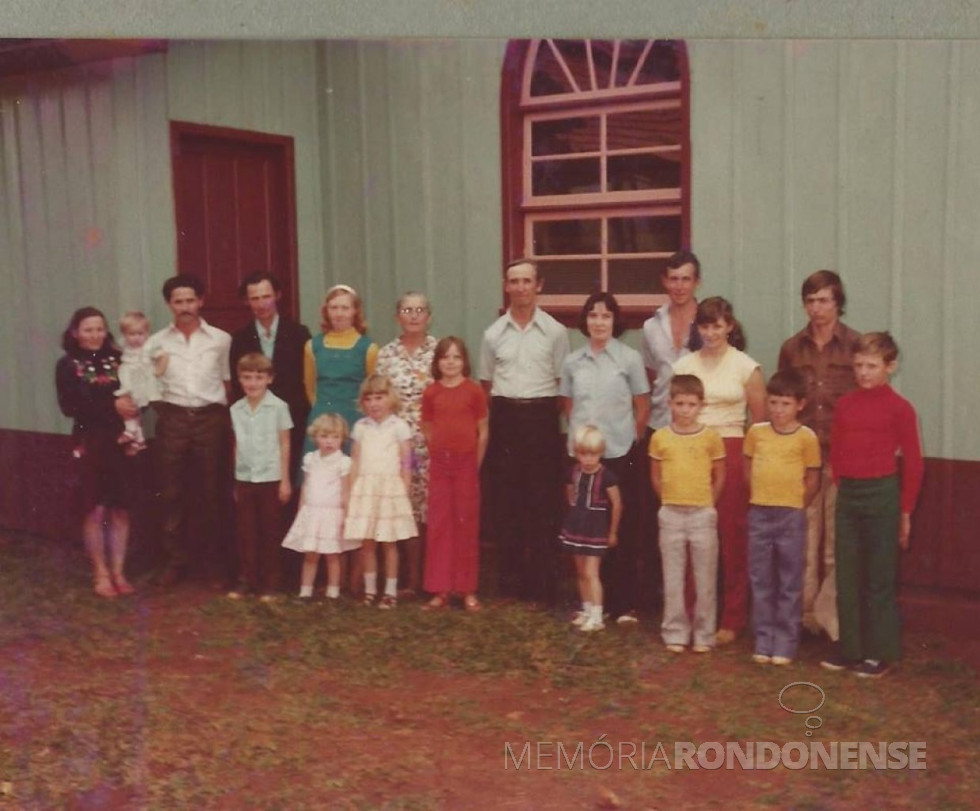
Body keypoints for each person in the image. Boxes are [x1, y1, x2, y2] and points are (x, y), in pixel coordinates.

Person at [821, 333, 924, 679]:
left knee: (878, 577)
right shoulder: (847, 404)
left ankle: (879, 653)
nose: (864, 373)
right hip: (849, 495)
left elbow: (913, 461)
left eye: (872, 366)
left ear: (890, 367)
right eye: (859, 366)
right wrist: (841, 484)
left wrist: (905, 511)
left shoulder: (900, 408)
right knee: (848, 575)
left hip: (882, 495)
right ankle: (850, 649)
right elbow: (836, 448)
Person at [672, 297, 766, 644]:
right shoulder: (684, 365)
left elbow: (760, 423)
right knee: (691, 534)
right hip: (692, 451)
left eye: (718, 325)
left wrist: (750, 465)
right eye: (705, 326)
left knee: (731, 535)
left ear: (729, 326)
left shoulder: (746, 367)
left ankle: (732, 616)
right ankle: (693, 614)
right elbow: (676, 414)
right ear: (697, 328)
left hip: (731, 449)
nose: (711, 333)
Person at [479, 258, 569, 605]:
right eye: (514, 281)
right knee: (507, 500)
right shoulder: (493, 334)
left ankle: (543, 581)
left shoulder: (556, 332)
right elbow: (486, 383)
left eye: (526, 281)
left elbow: (563, 386)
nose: (520, 288)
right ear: (506, 286)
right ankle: (510, 578)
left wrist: (539, 417)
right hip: (505, 418)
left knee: (542, 502)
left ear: (538, 285)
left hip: (541, 418)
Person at [777, 270, 861, 639]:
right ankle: (804, 619)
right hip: (803, 460)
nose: (816, 307)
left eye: (824, 299)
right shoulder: (792, 348)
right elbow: (783, 402)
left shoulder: (857, 346)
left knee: (835, 546)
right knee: (804, 543)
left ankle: (833, 622)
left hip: (843, 459)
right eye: (810, 300)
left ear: (838, 302)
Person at [559, 291, 649, 622]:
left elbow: (641, 405)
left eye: (606, 316)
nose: (599, 322)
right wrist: (585, 443)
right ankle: (591, 602)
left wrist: (629, 439)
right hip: (584, 457)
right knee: (586, 523)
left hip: (617, 454)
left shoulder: (628, 359)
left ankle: (622, 604)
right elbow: (568, 405)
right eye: (593, 315)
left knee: (617, 526)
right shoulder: (572, 362)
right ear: (585, 321)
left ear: (615, 321)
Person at [144, 274, 232, 586]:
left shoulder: (220, 339)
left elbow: (226, 380)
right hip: (173, 419)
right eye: (178, 301)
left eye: (190, 300)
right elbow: (149, 383)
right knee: (171, 492)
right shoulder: (156, 342)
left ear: (201, 301)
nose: (185, 307)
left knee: (211, 492)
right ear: (169, 304)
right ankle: (174, 562)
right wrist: (167, 413)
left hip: (210, 420)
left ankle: (214, 565)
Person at [55, 307, 136, 598]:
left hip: (120, 439)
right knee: (95, 507)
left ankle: (118, 570)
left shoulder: (119, 359)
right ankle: (100, 571)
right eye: (88, 330)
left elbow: (135, 391)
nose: (95, 335)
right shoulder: (67, 365)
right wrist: (110, 406)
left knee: (120, 508)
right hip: (89, 439)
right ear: (76, 332)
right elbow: (69, 407)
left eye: (100, 329)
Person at [639, 250, 703, 611]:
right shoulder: (652, 326)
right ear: (665, 281)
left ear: (697, 282)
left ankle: (696, 596)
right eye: (673, 278)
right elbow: (652, 376)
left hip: (697, 433)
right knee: (660, 513)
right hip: (661, 428)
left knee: (696, 514)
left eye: (686, 279)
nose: (679, 286)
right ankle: (662, 596)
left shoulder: (709, 320)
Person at [744, 369, 821, 666]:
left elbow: (812, 479)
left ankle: (786, 641)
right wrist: (760, 497)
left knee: (790, 579)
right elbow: (747, 469)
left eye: (785, 404)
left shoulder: (806, 438)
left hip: (790, 516)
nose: (778, 410)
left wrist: (796, 504)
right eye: (773, 402)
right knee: (761, 578)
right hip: (760, 513)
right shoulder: (757, 433)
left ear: (800, 404)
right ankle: (763, 638)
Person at [648, 375, 726, 652]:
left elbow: (720, 475)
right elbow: (656, 477)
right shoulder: (660, 438)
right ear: (669, 403)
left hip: (702, 514)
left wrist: (708, 503)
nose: (685, 410)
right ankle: (675, 632)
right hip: (670, 513)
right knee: (673, 576)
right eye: (679, 403)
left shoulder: (710, 438)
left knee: (705, 577)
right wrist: (669, 500)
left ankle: (704, 634)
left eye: (691, 404)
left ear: (701, 406)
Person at [420, 337, 488, 612]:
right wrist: (437, 450)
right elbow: (427, 427)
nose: (450, 362)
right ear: (437, 362)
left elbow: (483, 430)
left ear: (465, 362)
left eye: (456, 357)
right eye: (445, 357)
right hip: (440, 466)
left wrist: (475, 462)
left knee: (466, 523)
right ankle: (441, 589)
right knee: (439, 524)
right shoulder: (431, 393)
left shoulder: (474, 391)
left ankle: (467, 589)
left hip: (466, 465)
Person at [376, 292, 438, 597]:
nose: (413, 315)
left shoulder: (439, 351)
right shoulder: (387, 354)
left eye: (419, 310)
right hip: (398, 444)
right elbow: (379, 397)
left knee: (429, 508)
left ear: (429, 316)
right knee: (404, 507)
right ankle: (406, 578)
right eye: (407, 310)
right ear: (397, 316)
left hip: (431, 442)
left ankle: (430, 576)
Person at [344, 374, 418, 608]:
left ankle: (390, 592)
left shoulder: (399, 426)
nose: (374, 403)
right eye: (369, 399)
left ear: (390, 399)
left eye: (379, 397)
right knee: (368, 543)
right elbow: (354, 460)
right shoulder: (360, 427)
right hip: (366, 489)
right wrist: (352, 490)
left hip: (390, 489)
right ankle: (370, 590)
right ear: (363, 402)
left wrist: (404, 487)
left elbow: (407, 461)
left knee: (389, 542)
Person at [230, 271, 311, 482]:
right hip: (254, 421)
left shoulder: (299, 334)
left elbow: (307, 378)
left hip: (291, 419)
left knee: (290, 477)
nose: (261, 303)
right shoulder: (240, 338)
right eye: (254, 298)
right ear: (247, 301)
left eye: (266, 296)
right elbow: (238, 384)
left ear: (278, 295)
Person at [228, 353, 293, 600]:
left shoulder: (278, 407)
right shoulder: (236, 409)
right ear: (239, 379)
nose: (252, 383)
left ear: (269, 379)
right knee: (246, 532)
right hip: (245, 478)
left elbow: (285, 443)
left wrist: (285, 479)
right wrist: (236, 480)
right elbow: (236, 445)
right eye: (247, 377)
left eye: (258, 377)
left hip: (271, 477)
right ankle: (247, 580)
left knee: (270, 531)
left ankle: (271, 583)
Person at [282, 413, 356, 601]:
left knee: (332, 555)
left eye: (335, 437)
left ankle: (333, 593)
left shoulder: (344, 462)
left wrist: (347, 517)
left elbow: (346, 492)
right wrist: (301, 513)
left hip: (333, 514)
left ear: (342, 439)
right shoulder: (310, 459)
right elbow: (306, 487)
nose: (329, 441)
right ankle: (305, 591)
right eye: (324, 436)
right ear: (315, 437)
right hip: (312, 513)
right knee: (311, 555)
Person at [560, 425, 623, 633]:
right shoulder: (574, 472)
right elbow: (570, 491)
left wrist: (612, 531)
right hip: (577, 525)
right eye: (583, 454)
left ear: (601, 453)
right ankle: (586, 609)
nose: (588, 459)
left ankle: (597, 616)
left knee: (591, 572)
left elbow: (618, 504)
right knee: (579, 570)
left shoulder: (607, 476)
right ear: (576, 453)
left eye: (593, 454)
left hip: (596, 529)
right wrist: (575, 511)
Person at [303, 284, 378, 453]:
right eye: (334, 308)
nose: (339, 313)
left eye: (345, 308)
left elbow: (370, 389)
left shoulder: (368, 348)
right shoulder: (312, 346)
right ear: (326, 311)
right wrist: (321, 410)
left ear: (355, 311)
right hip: (322, 419)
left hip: (354, 418)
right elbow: (310, 387)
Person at [115, 311, 163, 454]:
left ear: (147, 333)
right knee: (129, 405)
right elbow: (118, 352)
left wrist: (159, 370)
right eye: (131, 334)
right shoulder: (124, 346)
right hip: (128, 379)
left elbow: (161, 357)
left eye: (140, 334)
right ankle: (139, 439)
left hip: (142, 381)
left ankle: (131, 431)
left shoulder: (149, 346)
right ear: (124, 335)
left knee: (134, 407)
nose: (136, 338)